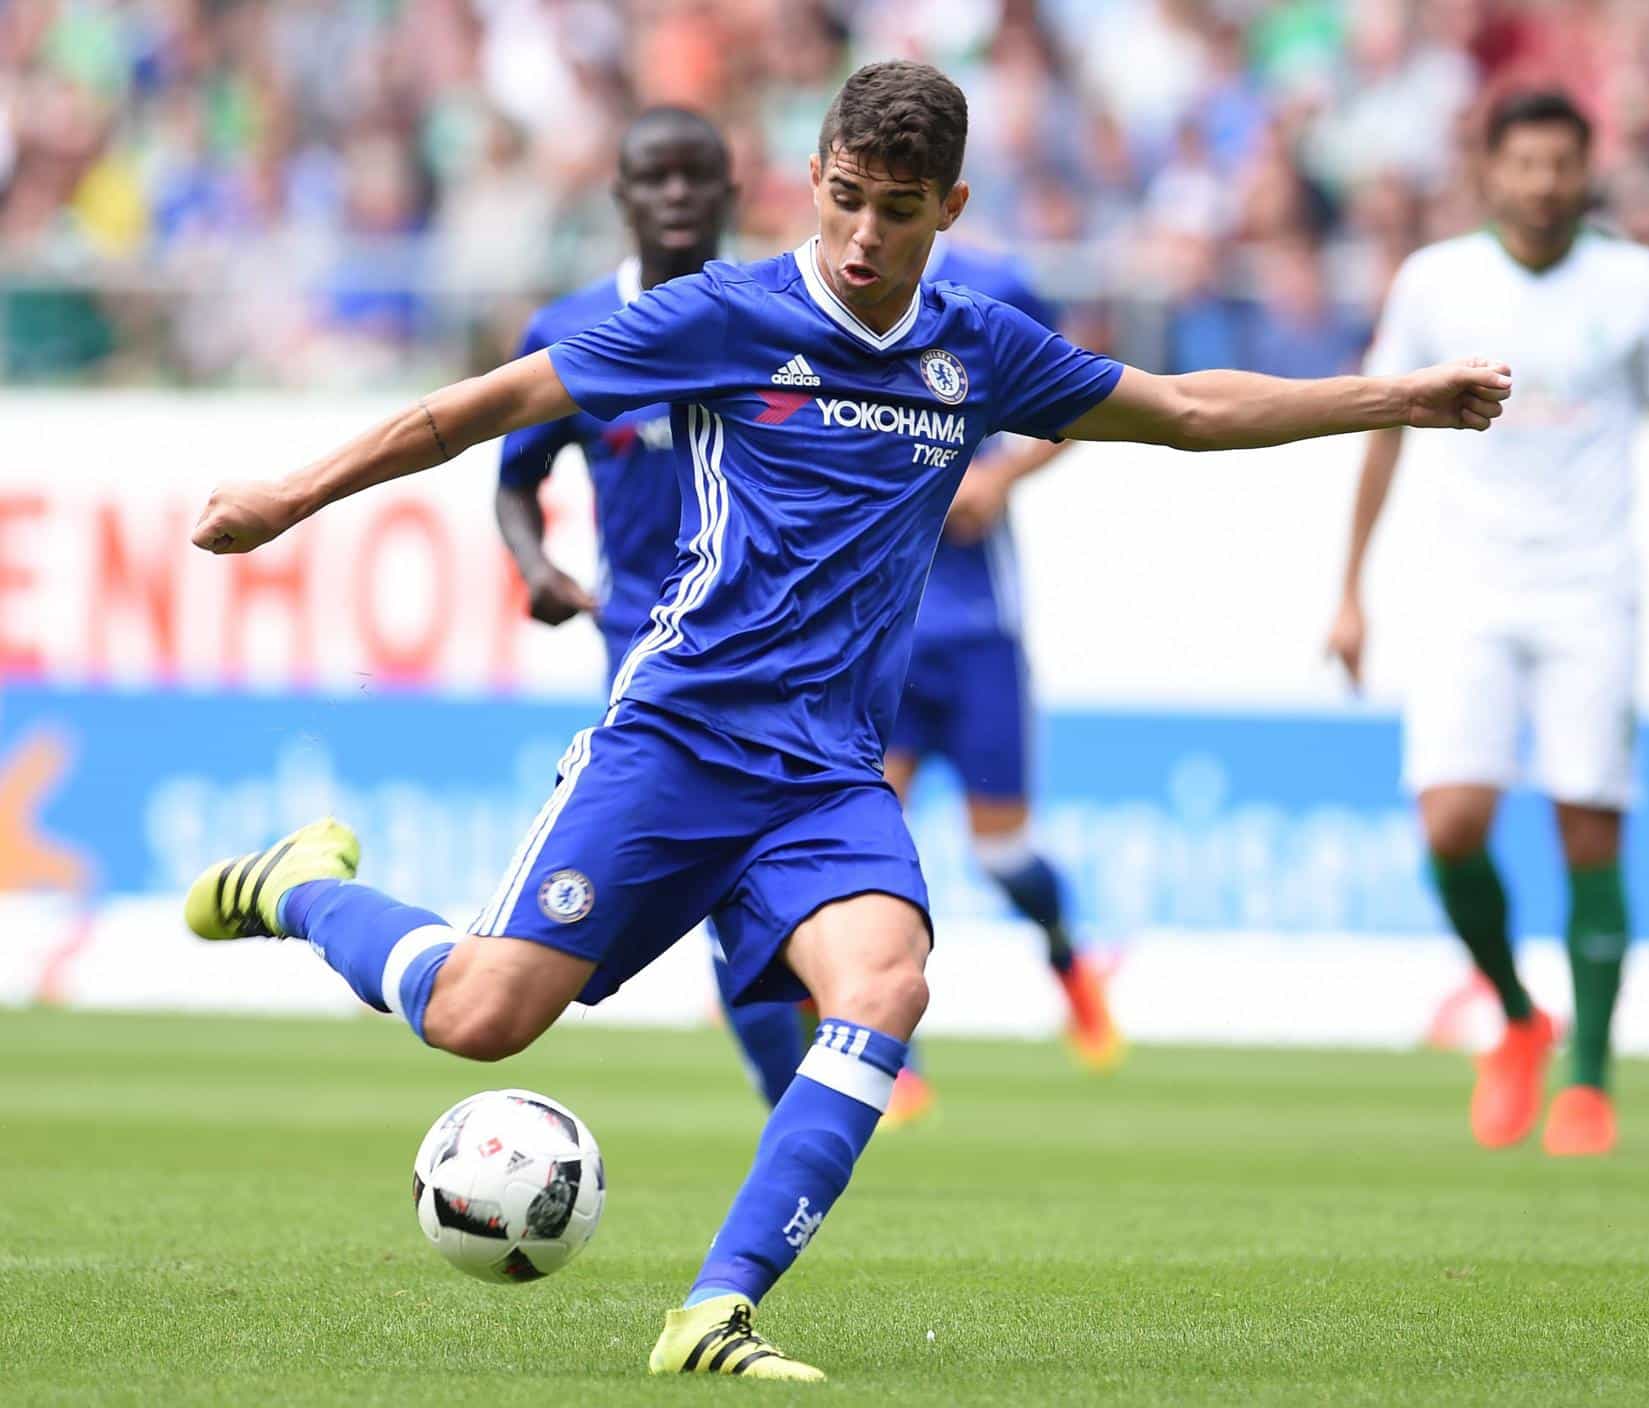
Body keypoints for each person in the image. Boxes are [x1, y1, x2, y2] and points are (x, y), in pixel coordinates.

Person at [183, 60, 1510, 1380]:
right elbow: (482, 408)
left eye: (903, 209)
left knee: (886, 985)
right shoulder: (724, 317)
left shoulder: (977, 349)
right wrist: (291, 496)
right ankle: (300, 886)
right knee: (479, 1019)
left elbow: (1183, 409)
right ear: (815, 179)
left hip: (826, 777)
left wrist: (1396, 396)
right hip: (678, 745)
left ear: (954, 207)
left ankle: (714, 1312)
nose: (868, 237)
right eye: (850, 199)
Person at [1324, 90, 1649, 1160]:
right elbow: (1381, 430)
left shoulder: (1636, 281)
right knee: (1451, 825)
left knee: (1588, 829)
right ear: (1492, 171)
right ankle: (1519, 1013)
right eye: (1524, 163)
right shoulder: (1436, 280)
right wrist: (1350, 587)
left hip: (1591, 588)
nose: (1544, 183)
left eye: (1562, 163)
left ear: (1587, 168)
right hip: (1468, 587)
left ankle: (1593, 1081)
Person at [493, 107, 810, 1110]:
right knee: (725, 889)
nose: (675, 195)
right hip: (649, 656)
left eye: (695, 176)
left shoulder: (785, 312)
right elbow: (514, 476)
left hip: (782, 650)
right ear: (621, 195)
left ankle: (805, 1088)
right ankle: (793, 1099)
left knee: (767, 885)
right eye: (654, 177)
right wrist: (535, 561)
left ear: (730, 191)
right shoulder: (569, 330)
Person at [880, 235, 1124, 1127]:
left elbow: (1085, 396)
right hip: (882, 633)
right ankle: (889, 1048)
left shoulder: (995, 285)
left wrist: (1004, 474)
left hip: (980, 628)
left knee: (1004, 856)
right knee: (873, 844)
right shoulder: (834, 280)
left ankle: (1069, 960)